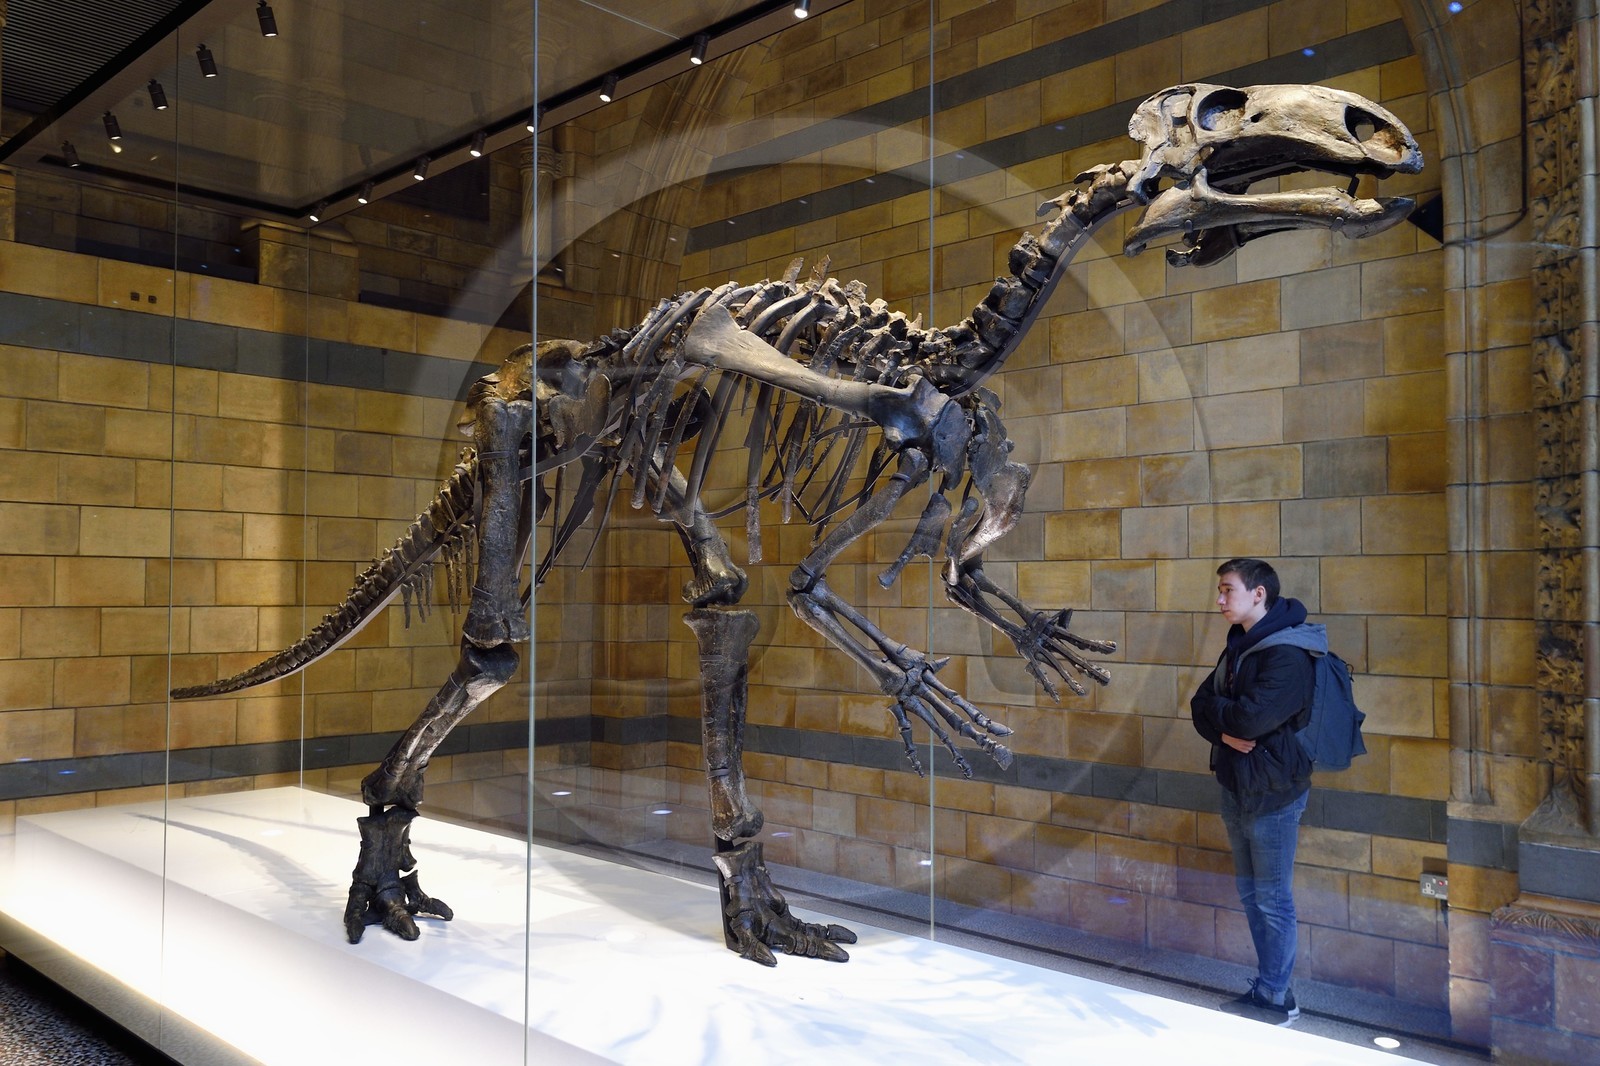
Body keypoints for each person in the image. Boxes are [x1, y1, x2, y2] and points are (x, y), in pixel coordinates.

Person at [1189, 558, 1326, 1024]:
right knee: (1252, 895)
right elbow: (1198, 705)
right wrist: (1225, 733)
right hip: (1237, 784)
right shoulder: (1239, 645)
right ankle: (1271, 988)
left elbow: (1249, 718)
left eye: (1228, 590)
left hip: (1274, 793)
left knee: (1272, 898)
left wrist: (1226, 721)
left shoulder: (1287, 653)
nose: (1219, 599)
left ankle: (1275, 997)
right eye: (1220, 590)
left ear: (1258, 594)